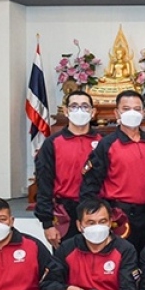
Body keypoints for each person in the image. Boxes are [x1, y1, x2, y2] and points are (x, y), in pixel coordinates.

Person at [80, 89, 145, 253]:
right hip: (120, 215)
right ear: (117, 113)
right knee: (121, 259)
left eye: (137, 109)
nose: (132, 113)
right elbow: (91, 183)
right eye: (126, 109)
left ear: (143, 113)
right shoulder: (107, 144)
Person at [35, 90, 101, 249]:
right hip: (64, 213)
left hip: (96, 212)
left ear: (93, 112)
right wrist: (47, 223)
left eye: (85, 106)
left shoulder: (103, 142)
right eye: (74, 106)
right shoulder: (52, 143)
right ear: (65, 111)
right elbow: (44, 183)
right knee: (65, 260)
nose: (79, 111)